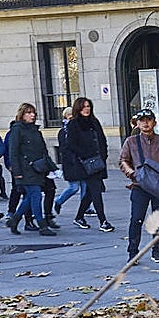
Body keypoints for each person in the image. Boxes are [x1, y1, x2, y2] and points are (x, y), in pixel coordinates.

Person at [119, 108, 159, 263]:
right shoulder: (131, 142)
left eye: (148, 120)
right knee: (136, 219)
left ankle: (157, 251)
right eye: (142, 120)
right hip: (139, 186)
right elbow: (123, 160)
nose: (145, 123)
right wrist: (133, 174)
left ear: (154, 122)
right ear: (137, 123)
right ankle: (133, 252)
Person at [62, 97, 113, 231]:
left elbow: (102, 139)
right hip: (85, 164)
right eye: (84, 106)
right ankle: (103, 221)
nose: (86, 109)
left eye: (88, 106)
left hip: (98, 162)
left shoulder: (94, 122)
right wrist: (84, 156)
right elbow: (71, 144)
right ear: (78, 108)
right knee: (96, 190)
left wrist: (103, 155)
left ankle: (79, 217)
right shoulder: (74, 124)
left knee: (91, 192)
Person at [6, 103, 57, 236]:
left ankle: (15, 219)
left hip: (37, 168)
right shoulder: (17, 130)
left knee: (30, 197)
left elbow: (43, 151)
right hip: (25, 169)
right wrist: (16, 172)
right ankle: (42, 225)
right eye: (28, 113)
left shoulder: (35, 131)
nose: (32, 115)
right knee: (36, 195)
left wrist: (52, 168)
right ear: (22, 115)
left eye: (33, 112)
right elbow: (13, 152)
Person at [54, 107, 84, 216]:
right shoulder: (63, 131)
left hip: (82, 161)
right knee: (74, 187)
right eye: (69, 115)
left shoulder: (80, 128)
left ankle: (85, 208)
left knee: (85, 186)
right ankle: (59, 201)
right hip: (70, 163)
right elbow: (64, 148)